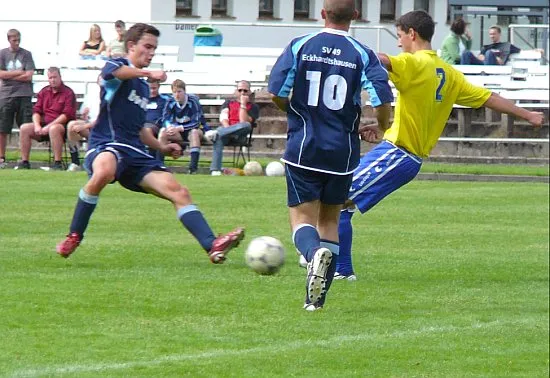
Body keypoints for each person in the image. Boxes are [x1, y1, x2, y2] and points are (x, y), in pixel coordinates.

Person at [335, 10, 544, 281]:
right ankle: (337, 266)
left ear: (412, 34)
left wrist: (338, 45)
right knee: (341, 204)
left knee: (337, 201)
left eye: (399, 36)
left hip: (398, 154)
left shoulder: (413, 63)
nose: (398, 43)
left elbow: (381, 60)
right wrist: (527, 114)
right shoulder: (448, 73)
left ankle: (330, 264)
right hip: (401, 153)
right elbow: (487, 97)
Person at [55, 23, 244, 262]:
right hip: (108, 144)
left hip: (135, 152)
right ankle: (74, 235)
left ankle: (212, 244)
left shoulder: (143, 88)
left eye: (154, 48)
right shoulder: (118, 64)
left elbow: (141, 129)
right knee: (104, 170)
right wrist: (148, 73)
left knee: (179, 191)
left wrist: (161, 147)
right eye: (147, 46)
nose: (152, 52)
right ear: (131, 46)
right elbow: (112, 74)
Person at [267, 0, 394, 311]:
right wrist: (380, 126)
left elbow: (276, 92)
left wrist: (298, 114)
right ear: (355, 15)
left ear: (322, 13)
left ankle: (312, 256)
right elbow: (382, 97)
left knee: (301, 219)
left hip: (304, 147)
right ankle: (316, 301)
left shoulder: (300, 45)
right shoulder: (362, 53)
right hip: (343, 150)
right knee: (330, 222)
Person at [17, 67, 76, 170]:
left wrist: (49, 126)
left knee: (54, 128)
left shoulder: (68, 93)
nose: (53, 80)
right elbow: (36, 111)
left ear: (60, 77)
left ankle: (57, 162)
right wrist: (37, 126)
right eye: (50, 78)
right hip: (43, 124)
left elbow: (66, 115)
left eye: (55, 77)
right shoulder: (44, 92)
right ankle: (24, 162)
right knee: (24, 128)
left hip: (62, 127)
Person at [158, 79, 210, 173]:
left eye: (179, 91)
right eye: (174, 92)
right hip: (178, 132)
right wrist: (169, 127)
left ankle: (192, 168)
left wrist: (180, 128)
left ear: (184, 91)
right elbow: (165, 119)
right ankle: (159, 165)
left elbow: (197, 122)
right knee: (162, 132)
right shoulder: (170, 101)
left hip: (195, 130)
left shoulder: (193, 101)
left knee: (194, 133)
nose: (177, 95)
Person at [209, 80, 260, 176]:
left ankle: (218, 133)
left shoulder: (254, 107)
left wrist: (243, 105)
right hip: (226, 133)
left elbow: (243, 121)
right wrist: (227, 130)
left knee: (246, 125)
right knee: (219, 136)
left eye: (245, 91)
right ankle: (215, 170)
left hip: (241, 135)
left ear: (249, 92)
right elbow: (223, 118)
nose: (242, 93)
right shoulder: (228, 103)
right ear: (236, 91)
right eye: (240, 90)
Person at [0, 29, 35, 169]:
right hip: (6, 95)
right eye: (14, 40)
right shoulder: (2, 54)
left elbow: (29, 75)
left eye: (18, 39)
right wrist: (18, 73)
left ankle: (24, 160)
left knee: (25, 127)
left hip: (24, 94)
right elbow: (1, 74)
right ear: (9, 39)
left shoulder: (26, 54)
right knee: (2, 128)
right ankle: (1, 157)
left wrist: (9, 75)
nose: (17, 42)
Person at [66, 76, 101, 171]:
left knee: (83, 127)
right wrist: (84, 115)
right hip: (90, 125)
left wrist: (85, 126)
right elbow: (83, 114)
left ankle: (92, 159)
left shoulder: (111, 95)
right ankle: (75, 161)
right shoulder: (92, 94)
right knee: (71, 125)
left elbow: (104, 118)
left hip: (104, 127)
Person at [144, 77, 170, 159]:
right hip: (141, 125)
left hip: (156, 125)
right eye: (150, 88)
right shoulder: (142, 99)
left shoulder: (164, 100)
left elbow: (168, 115)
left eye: (154, 88)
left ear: (158, 87)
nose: (152, 91)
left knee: (147, 131)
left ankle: (153, 160)